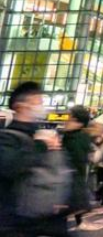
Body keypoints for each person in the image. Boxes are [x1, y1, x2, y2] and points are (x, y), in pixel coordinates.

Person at [0, 81, 69, 237]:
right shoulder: (7, 137)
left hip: (43, 217)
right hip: (14, 221)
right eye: (37, 102)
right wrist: (41, 146)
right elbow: (10, 167)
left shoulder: (43, 135)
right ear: (20, 106)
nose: (41, 106)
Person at [62, 106, 94, 227]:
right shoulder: (70, 135)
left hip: (70, 180)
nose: (66, 121)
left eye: (69, 118)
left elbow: (77, 162)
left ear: (78, 122)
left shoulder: (78, 138)